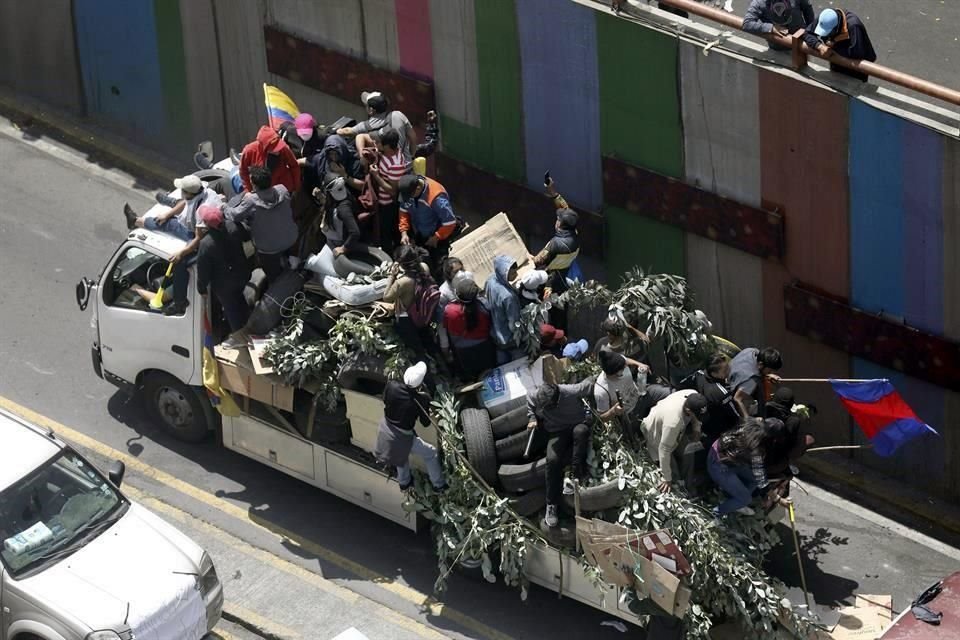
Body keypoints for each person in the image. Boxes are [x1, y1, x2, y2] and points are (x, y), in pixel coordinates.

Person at [122, 174, 220, 316]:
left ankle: (180, 303)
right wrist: (167, 215)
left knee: (181, 263)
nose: (182, 192)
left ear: (188, 193)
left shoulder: (200, 212)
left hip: (200, 236)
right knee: (163, 221)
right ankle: (135, 221)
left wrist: (181, 253)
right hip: (192, 227)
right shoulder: (203, 191)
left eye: (182, 190)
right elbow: (185, 203)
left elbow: (198, 239)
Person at [526, 380, 599, 528]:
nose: (547, 409)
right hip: (557, 431)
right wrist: (532, 417)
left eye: (549, 407)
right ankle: (551, 505)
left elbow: (592, 384)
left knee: (581, 432)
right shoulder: (536, 395)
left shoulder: (571, 390)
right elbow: (528, 399)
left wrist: (594, 408)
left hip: (577, 424)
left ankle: (574, 477)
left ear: (557, 399)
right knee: (552, 460)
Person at [374, 362, 446, 492]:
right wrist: (426, 400)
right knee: (430, 453)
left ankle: (404, 483)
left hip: (386, 427)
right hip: (402, 436)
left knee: (400, 456)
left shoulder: (392, 385)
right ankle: (439, 484)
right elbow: (426, 423)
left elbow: (385, 400)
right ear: (420, 384)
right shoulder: (420, 400)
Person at [223, 165, 298, 282]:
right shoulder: (282, 189)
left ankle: (277, 286)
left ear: (254, 184)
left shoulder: (250, 200)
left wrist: (224, 206)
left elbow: (234, 216)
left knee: (274, 276)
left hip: (268, 248)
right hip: (290, 238)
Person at [195, 205, 251, 349]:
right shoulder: (234, 227)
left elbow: (203, 270)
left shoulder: (206, 244)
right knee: (239, 299)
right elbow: (246, 235)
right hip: (243, 273)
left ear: (207, 224)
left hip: (224, 284)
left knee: (231, 309)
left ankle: (240, 337)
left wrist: (202, 289)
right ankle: (250, 325)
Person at [708, 418, 791, 516]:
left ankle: (733, 500)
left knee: (753, 480)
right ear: (772, 439)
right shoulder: (757, 449)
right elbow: (762, 481)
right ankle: (714, 513)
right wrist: (778, 499)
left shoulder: (750, 423)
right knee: (745, 499)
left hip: (722, 453)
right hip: (719, 465)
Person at [640, 390, 708, 493]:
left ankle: (687, 485)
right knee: (672, 470)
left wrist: (696, 431)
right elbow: (664, 450)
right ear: (688, 410)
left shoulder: (693, 395)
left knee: (689, 452)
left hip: (675, 428)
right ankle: (677, 486)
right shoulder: (673, 422)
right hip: (656, 432)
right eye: (696, 414)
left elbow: (696, 419)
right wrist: (667, 478)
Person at [397, 174, 458, 271]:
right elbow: (403, 210)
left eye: (409, 196)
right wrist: (404, 232)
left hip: (437, 236)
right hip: (420, 232)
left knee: (439, 266)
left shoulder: (436, 198)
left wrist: (436, 237)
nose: (407, 198)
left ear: (418, 188)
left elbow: (450, 222)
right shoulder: (408, 191)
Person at [529, 178, 580, 292]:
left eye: (558, 219)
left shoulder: (555, 244)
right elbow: (565, 209)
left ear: (559, 225)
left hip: (549, 281)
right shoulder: (574, 233)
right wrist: (552, 191)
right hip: (563, 274)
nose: (556, 220)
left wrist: (527, 256)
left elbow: (536, 262)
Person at [383, 245, 434, 360]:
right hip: (423, 311)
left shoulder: (402, 283)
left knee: (417, 349)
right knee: (428, 340)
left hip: (408, 320)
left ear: (401, 263)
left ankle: (426, 369)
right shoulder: (424, 267)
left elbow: (386, 297)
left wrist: (392, 275)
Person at [364, 128, 410, 254]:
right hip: (381, 202)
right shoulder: (386, 152)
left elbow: (392, 191)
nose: (375, 145)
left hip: (388, 205)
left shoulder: (396, 165)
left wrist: (376, 176)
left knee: (386, 234)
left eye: (378, 143)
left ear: (388, 146)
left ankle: (389, 258)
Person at [679, 353, 741, 445]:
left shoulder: (698, 374)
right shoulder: (721, 393)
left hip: (706, 424)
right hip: (720, 429)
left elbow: (682, 384)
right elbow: (735, 415)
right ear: (714, 373)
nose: (729, 370)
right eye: (725, 370)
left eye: (727, 366)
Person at [337, 91, 416, 162]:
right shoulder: (398, 115)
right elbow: (413, 138)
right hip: (407, 165)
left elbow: (347, 131)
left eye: (366, 105)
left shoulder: (368, 125)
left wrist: (337, 130)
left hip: (387, 170)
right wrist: (411, 156)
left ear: (371, 110)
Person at [803, 8, 877, 82]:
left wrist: (833, 46)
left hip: (856, 69)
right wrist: (819, 46)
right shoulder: (825, 18)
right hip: (836, 63)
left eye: (828, 32)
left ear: (836, 27)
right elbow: (807, 33)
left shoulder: (854, 26)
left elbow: (857, 53)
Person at [442, 279, 496, 380]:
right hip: (485, 346)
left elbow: (448, 329)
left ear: (457, 295)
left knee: (474, 376)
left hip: (463, 351)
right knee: (490, 374)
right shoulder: (484, 305)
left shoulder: (450, 311)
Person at [595, 349, 651, 439]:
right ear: (613, 374)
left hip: (641, 394)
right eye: (623, 369)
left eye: (625, 366)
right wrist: (613, 411)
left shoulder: (619, 361)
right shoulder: (601, 391)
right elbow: (602, 417)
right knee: (644, 434)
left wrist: (639, 364)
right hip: (631, 414)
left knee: (665, 392)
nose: (625, 367)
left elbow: (626, 360)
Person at [763, 387, 816, 476]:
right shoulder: (793, 421)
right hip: (775, 466)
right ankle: (787, 463)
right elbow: (798, 447)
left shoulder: (760, 410)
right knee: (809, 439)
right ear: (791, 405)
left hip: (752, 461)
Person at [239, 125, 301, 194]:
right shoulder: (249, 151)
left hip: (283, 190)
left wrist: (296, 187)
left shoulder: (284, 148)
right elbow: (243, 172)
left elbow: (294, 166)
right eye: (273, 148)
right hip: (261, 192)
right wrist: (249, 191)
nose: (278, 150)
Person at [485, 256, 524, 364]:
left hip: (496, 333)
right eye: (512, 273)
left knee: (502, 365)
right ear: (503, 274)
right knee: (519, 365)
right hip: (509, 339)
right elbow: (513, 324)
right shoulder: (508, 297)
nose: (516, 275)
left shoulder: (490, 280)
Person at [728, 346, 782, 418]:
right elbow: (737, 399)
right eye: (769, 371)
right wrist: (748, 420)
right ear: (760, 365)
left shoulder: (751, 352)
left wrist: (767, 375)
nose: (771, 373)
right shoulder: (751, 381)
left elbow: (755, 369)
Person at [321, 175, 365, 260]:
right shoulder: (345, 193)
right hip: (333, 233)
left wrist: (343, 248)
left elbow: (355, 233)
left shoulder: (343, 209)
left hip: (339, 242)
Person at [742, 0, 814, 50]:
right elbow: (747, 24)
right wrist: (771, 28)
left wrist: (810, 31)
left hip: (801, 45)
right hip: (778, 48)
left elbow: (807, 8)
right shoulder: (759, 2)